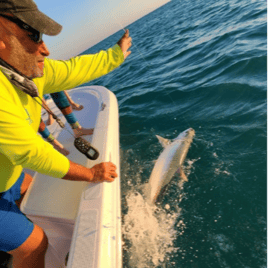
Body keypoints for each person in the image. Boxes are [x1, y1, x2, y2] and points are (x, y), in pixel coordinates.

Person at [0, 0, 132, 267]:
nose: (45, 49)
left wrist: (115, 55)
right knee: (36, 245)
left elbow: (72, 69)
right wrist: (91, 174)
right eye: (33, 35)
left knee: (28, 188)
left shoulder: (20, 71)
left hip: (7, 177)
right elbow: (32, 153)